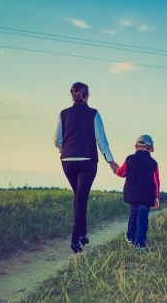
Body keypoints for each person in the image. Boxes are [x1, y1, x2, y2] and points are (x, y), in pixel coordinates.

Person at [54, 82, 119, 253]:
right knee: (81, 198)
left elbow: (56, 140)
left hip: (67, 160)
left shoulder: (63, 114)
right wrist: (111, 161)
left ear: (72, 94)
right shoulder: (94, 114)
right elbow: (102, 141)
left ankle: (82, 233)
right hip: (87, 161)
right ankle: (76, 239)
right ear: (87, 95)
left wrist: (65, 149)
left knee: (79, 197)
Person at [115, 134, 160, 252]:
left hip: (132, 194)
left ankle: (130, 237)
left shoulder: (129, 159)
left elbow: (121, 173)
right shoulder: (153, 163)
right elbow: (156, 182)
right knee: (143, 219)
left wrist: (116, 169)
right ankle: (141, 245)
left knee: (133, 215)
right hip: (147, 196)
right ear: (150, 148)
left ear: (136, 146)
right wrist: (156, 197)